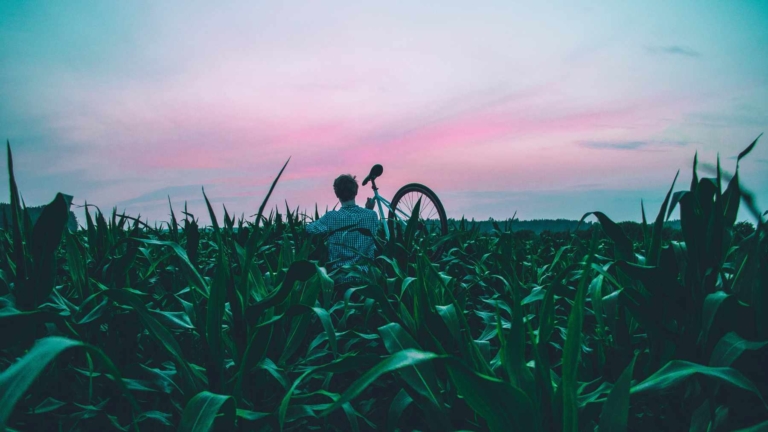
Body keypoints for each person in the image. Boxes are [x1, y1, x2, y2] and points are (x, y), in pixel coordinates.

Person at [306, 174, 378, 286]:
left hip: (339, 279)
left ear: (336, 194)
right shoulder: (371, 215)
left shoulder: (331, 217)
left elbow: (309, 229)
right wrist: (367, 210)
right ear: (356, 192)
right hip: (365, 279)